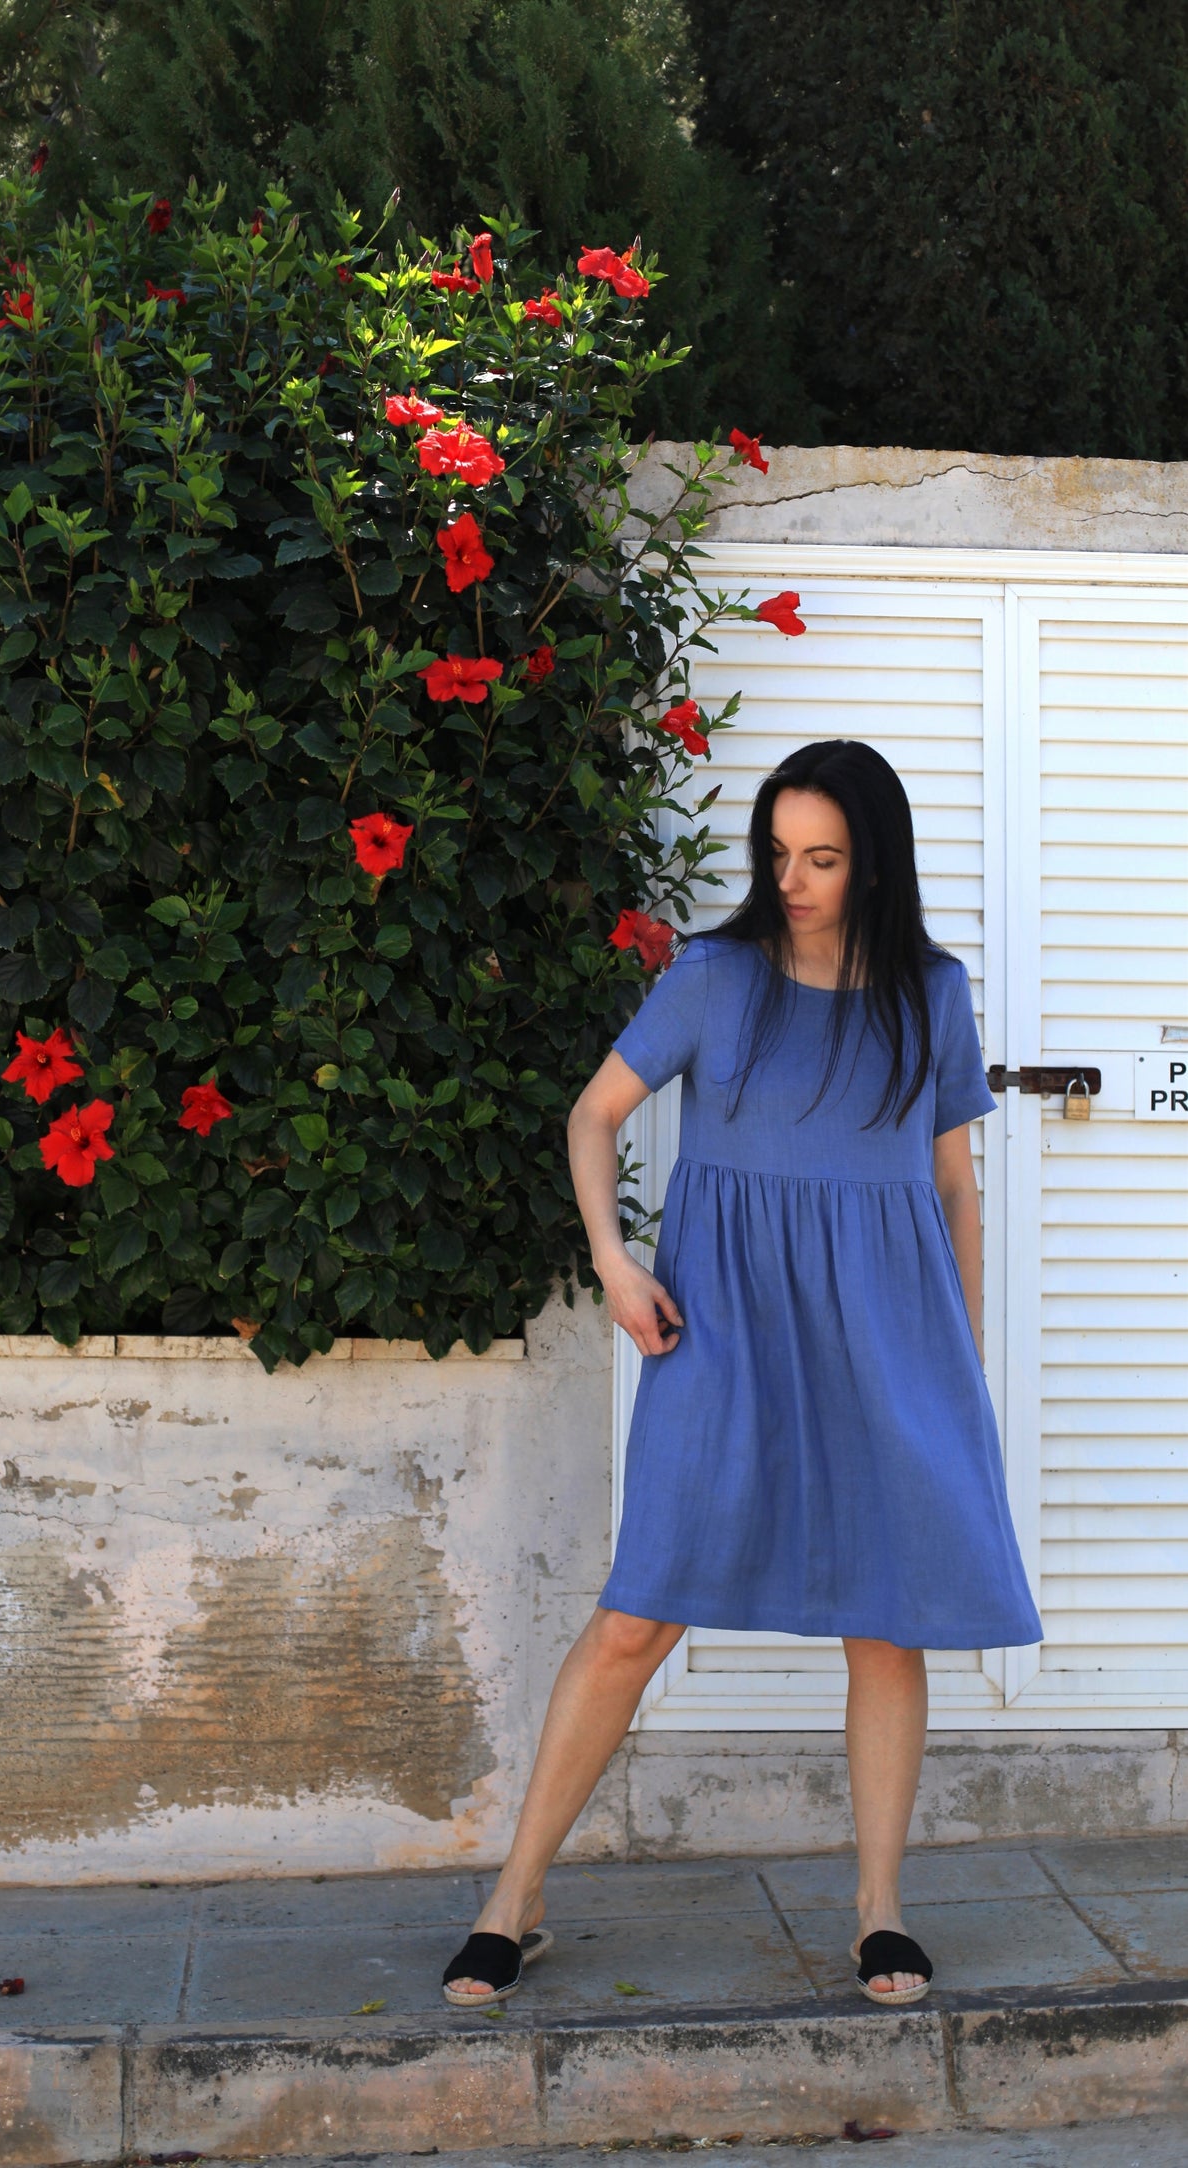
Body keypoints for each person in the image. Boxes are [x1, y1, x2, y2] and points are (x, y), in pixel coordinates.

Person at [441, 737, 1042, 2012]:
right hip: (724, 1328)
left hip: (892, 1343)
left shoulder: (928, 992)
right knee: (638, 1609)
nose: (795, 879)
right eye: (778, 854)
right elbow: (591, 1113)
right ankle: (515, 1898)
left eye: (821, 857)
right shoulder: (712, 977)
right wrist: (610, 1259)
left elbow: (952, 1189)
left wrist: (962, 1367)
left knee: (885, 1621)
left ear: (872, 860)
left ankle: (879, 1911)